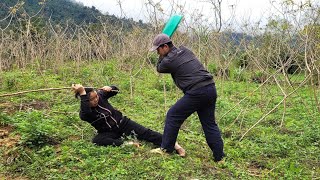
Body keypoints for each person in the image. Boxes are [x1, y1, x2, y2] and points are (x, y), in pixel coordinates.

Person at [150, 33, 225, 162]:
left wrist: (162, 56)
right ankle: (219, 157)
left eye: (158, 49)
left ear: (165, 47)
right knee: (209, 124)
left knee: (173, 115)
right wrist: (164, 53)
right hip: (210, 88)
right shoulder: (185, 50)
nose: (157, 53)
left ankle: (166, 149)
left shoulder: (169, 61)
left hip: (197, 91)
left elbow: (159, 68)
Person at [71, 84, 185, 157]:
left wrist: (110, 88)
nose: (96, 100)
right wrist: (82, 93)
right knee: (97, 140)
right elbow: (86, 112)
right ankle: (127, 144)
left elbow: (116, 90)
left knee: (146, 132)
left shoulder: (101, 96)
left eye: (96, 97)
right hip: (109, 131)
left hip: (123, 123)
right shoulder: (84, 113)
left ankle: (174, 145)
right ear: (85, 100)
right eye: (91, 99)